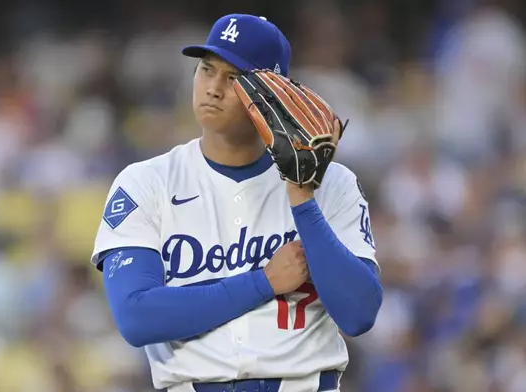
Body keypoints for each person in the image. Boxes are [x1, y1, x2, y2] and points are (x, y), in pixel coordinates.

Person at [91, 13, 383, 392]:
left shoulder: (333, 184)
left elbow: (359, 313)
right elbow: (136, 317)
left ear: (273, 93)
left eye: (233, 78)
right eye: (206, 69)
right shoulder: (146, 182)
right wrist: (263, 282)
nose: (212, 87)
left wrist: (302, 201)